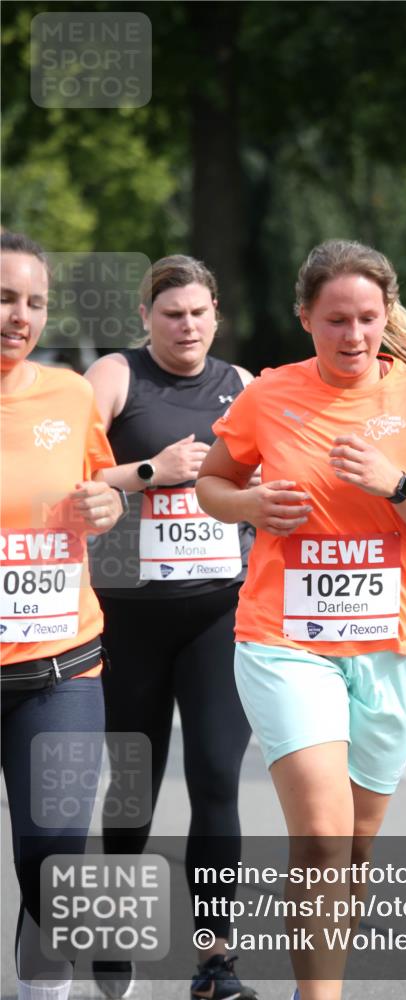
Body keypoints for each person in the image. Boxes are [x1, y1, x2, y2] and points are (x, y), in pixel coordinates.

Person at [196, 239, 406, 1000]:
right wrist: (250, 504)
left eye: (365, 319)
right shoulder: (269, 395)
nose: (352, 336)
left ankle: (311, 983)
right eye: (334, 321)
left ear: (386, 316)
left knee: (353, 849)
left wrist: (395, 485)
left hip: (393, 645)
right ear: (305, 320)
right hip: (285, 641)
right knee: (321, 839)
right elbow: (211, 484)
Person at [84, 255, 258, 1000]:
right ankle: (116, 939)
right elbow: (66, 475)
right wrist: (150, 471)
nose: (186, 326)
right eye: (170, 313)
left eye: (197, 312)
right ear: (147, 317)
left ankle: (214, 960)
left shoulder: (245, 386)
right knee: (132, 786)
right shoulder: (116, 377)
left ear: (216, 313)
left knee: (217, 778)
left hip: (219, 609)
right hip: (129, 616)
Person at [1, 231, 125, 1000]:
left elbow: (96, 490)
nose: (20, 316)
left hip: (60, 664)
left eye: (35, 302)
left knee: (55, 856)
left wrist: (106, 504)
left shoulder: (70, 394)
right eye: (5, 299)